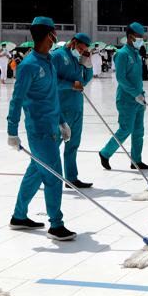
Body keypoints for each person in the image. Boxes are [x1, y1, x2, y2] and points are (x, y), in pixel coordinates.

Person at [5, 17, 75, 242]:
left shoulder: (48, 61)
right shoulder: (28, 66)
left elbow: (53, 95)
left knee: (35, 173)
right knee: (54, 177)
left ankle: (19, 216)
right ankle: (56, 224)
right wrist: (12, 131)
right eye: (54, 32)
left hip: (53, 127)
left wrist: (62, 120)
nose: (56, 36)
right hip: (40, 131)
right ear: (48, 35)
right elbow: (16, 100)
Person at [99, 23, 148, 170]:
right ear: (130, 37)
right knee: (125, 129)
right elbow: (121, 78)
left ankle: (136, 161)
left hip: (139, 98)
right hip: (126, 99)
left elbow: (137, 78)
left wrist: (141, 95)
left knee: (139, 131)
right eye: (138, 37)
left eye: (142, 37)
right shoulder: (122, 54)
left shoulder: (136, 53)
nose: (141, 39)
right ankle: (105, 153)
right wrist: (135, 94)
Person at [50, 32, 94, 189]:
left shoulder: (76, 59)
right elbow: (51, 81)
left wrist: (87, 65)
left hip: (76, 109)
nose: (81, 52)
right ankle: (41, 175)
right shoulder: (58, 56)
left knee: (73, 145)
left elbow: (83, 82)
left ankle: (71, 178)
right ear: (74, 42)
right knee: (52, 147)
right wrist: (70, 85)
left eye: (84, 51)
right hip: (63, 109)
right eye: (81, 49)